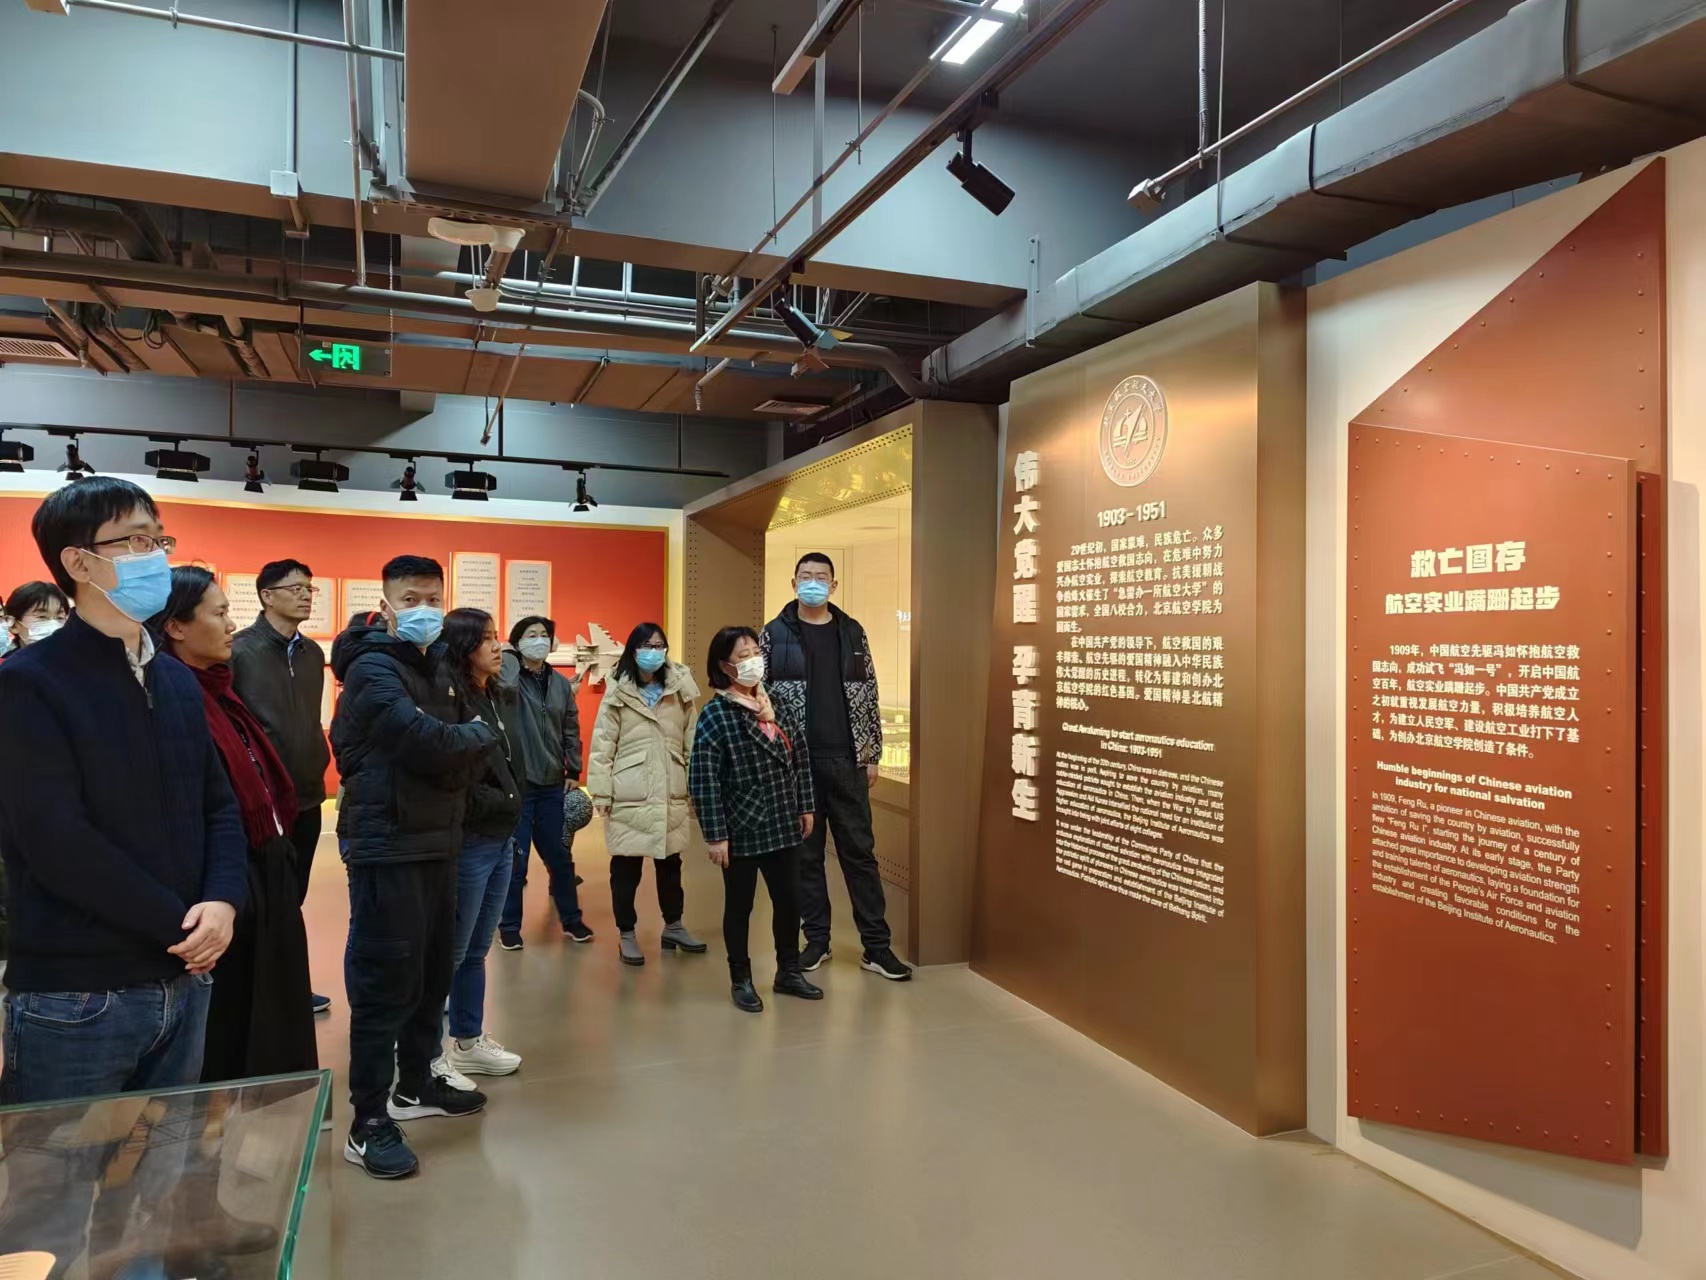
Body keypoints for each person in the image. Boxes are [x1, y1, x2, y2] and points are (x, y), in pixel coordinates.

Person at [0, 478, 246, 1272]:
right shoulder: (29, 682)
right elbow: (53, 840)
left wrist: (223, 901)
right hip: (80, 992)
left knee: (153, 1191)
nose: (154, 555)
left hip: (183, 980)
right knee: (52, 1204)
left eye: (158, 538)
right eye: (134, 540)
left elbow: (218, 803)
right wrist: (181, 923)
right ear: (78, 562)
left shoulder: (172, 677)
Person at [331, 555, 497, 1180]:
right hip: (388, 844)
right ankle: (369, 1120)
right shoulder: (372, 666)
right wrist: (464, 738)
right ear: (386, 602)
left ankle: (417, 1081)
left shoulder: (440, 666)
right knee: (385, 985)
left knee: (432, 974)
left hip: (440, 840)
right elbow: (425, 740)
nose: (424, 609)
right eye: (411, 598)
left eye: (433, 597)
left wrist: (457, 741)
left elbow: (460, 746)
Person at [150, 566, 318, 1083]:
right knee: (230, 1023)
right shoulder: (170, 697)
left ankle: (272, 1105)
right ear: (176, 626)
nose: (230, 625)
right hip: (223, 880)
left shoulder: (220, 689)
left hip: (267, 861)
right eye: (219, 613)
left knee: (271, 1007)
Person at [762, 553, 913, 982]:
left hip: (847, 760)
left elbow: (869, 691)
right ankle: (817, 940)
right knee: (806, 857)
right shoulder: (774, 633)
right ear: (794, 583)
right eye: (805, 576)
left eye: (821, 577)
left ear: (834, 585)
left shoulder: (852, 631)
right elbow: (762, 696)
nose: (813, 583)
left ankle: (876, 947)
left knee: (859, 854)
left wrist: (871, 752)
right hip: (798, 761)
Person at [687, 626, 821, 1014]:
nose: (752, 661)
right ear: (724, 666)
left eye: (755, 653)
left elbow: (800, 757)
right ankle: (741, 978)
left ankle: (788, 971)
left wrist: (806, 806)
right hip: (742, 825)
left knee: (789, 901)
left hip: (783, 820)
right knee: (739, 906)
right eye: (742, 656)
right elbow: (703, 779)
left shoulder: (774, 701)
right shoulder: (716, 714)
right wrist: (716, 835)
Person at [230, 557, 335, 1016]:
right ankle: (256, 994)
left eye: (310, 588)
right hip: (260, 800)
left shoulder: (311, 654)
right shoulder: (239, 650)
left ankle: (288, 990)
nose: (306, 595)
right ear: (267, 596)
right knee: (259, 901)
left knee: (293, 898)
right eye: (295, 588)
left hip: (307, 796)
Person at [437, 608, 524, 1080]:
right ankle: (428, 1055)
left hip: (501, 836)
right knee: (451, 951)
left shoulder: (497, 695)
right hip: (472, 838)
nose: (497, 646)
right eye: (486, 638)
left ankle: (468, 1040)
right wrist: (496, 802)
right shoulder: (452, 699)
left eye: (496, 636)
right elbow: (457, 775)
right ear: (463, 646)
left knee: (476, 949)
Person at [587, 622, 706, 966]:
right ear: (633, 649)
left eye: (659, 645)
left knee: (671, 866)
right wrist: (601, 793)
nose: (654, 651)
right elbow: (602, 745)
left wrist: (695, 788)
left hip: (670, 789)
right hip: (629, 791)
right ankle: (626, 933)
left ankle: (674, 926)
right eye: (646, 645)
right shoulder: (618, 688)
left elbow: (692, 740)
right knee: (626, 870)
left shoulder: (680, 687)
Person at [496, 615, 591, 949]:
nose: (538, 640)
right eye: (530, 634)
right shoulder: (507, 676)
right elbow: (505, 687)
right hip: (518, 784)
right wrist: (509, 655)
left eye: (544, 635)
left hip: (552, 784)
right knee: (516, 861)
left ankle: (572, 920)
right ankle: (509, 926)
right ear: (517, 641)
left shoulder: (561, 684)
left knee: (560, 857)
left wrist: (574, 770)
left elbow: (570, 728)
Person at [3, 580, 70, 654]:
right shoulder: (7, 661)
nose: (53, 625)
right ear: (14, 626)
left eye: (60, 618)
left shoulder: (75, 658)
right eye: (42, 617)